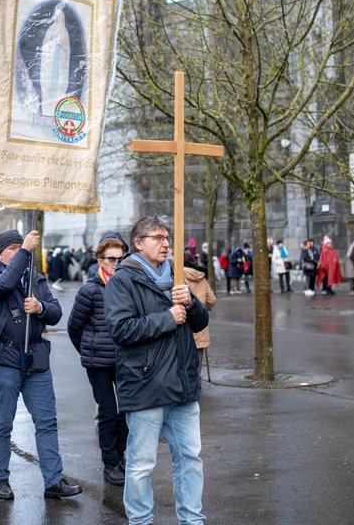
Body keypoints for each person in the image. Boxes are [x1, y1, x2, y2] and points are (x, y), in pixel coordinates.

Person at [105, 216, 210, 525]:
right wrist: (167, 317)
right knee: (141, 464)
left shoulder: (177, 276)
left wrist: (190, 303)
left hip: (183, 385)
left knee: (190, 459)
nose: (166, 243)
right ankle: (140, 520)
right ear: (139, 243)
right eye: (159, 237)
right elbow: (121, 330)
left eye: (168, 237)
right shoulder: (123, 280)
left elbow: (200, 323)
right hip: (146, 385)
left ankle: (192, 520)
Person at [0, 229, 81, 501]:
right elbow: (3, 285)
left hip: (35, 359)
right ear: (0, 253)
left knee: (47, 422)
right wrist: (25, 251)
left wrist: (40, 308)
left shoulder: (34, 278)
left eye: (20, 247)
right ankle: (0, 479)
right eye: (12, 248)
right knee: (2, 424)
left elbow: (56, 311)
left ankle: (53, 480)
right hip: (3, 359)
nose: (17, 252)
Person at [67, 235, 129, 486]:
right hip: (99, 362)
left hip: (124, 359)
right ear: (100, 261)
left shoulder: (127, 285)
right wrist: (88, 350)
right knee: (107, 412)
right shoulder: (90, 289)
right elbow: (74, 326)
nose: (116, 263)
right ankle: (110, 462)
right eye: (111, 259)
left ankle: (121, 454)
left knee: (127, 410)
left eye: (120, 259)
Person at [184, 255, 216, 383]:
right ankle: (196, 381)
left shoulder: (178, 275)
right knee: (198, 354)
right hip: (200, 323)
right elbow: (212, 299)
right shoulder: (202, 279)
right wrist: (206, 307)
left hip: (184, 321)